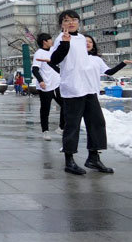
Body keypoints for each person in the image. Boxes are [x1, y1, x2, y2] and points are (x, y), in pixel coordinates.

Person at [48, 10, 115, 175]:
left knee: (97, 123)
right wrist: (64, 44)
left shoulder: (80, 39)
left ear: (78, 22)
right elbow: (55, 60)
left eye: (73, 20)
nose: (70, 22)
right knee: (73, 126)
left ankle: (93, 158)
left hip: (88, 88)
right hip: (72, 89)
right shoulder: (60, 39)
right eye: (66, 20)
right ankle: (69, 161)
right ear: (61, 24)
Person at [32, 33, 63, 140]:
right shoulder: (39, 54)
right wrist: (41, 81)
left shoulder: (53, 50)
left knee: (65, 105)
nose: (51, 41)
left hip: (57, 83)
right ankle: (45, 131)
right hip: (45, 86)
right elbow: (35, 69)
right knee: (45, 109)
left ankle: (61, 127)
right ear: (44, 41)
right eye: (50, 39)